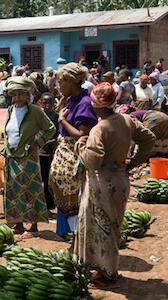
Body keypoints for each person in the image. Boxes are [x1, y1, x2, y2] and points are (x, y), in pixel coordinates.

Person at [74, 82, 155, 285]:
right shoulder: (127, 120)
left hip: (101, 182)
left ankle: (107, 271)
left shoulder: (99, 129)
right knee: (113, 225)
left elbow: (93, 161)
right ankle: (104, 267)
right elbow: (148, 139)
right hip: (121, 178)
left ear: (95, 105)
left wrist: (80, 147)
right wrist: (134, 162)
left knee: (99, 226)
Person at [49, 63, 98, 238]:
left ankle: (77, 235)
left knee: (72, 195)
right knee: (64, 193)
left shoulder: (84, 103)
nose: (58, 86)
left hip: (74, 155)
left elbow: (81, 135)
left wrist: (62, 121)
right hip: (64, 153)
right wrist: (62, 103)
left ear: (71, 82)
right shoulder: (72, 99)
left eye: (61, 82)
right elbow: (58, 112)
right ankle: (69, 234)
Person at [1, 78, 56, 234]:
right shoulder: (10, 110)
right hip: (11, 156)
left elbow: (50, 129)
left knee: (31, 190)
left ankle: (34, 225)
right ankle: (17, 224)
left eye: (21, 94)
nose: (18, 98)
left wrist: (36, 143)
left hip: (27, 156)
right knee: (13, 191)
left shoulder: (35, 111)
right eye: (15, 94)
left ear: (27, 95)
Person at [39, 92, 59, 213]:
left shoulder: (56, 117)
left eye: (50, 103)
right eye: (44, 102)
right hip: (40, 152)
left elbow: (59, 133)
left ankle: (49, 206)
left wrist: (54, 141)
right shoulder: (38, 116)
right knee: (40, 181)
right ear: (41, 103)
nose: (47, 105)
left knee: (49, 181)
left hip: (52, 153)